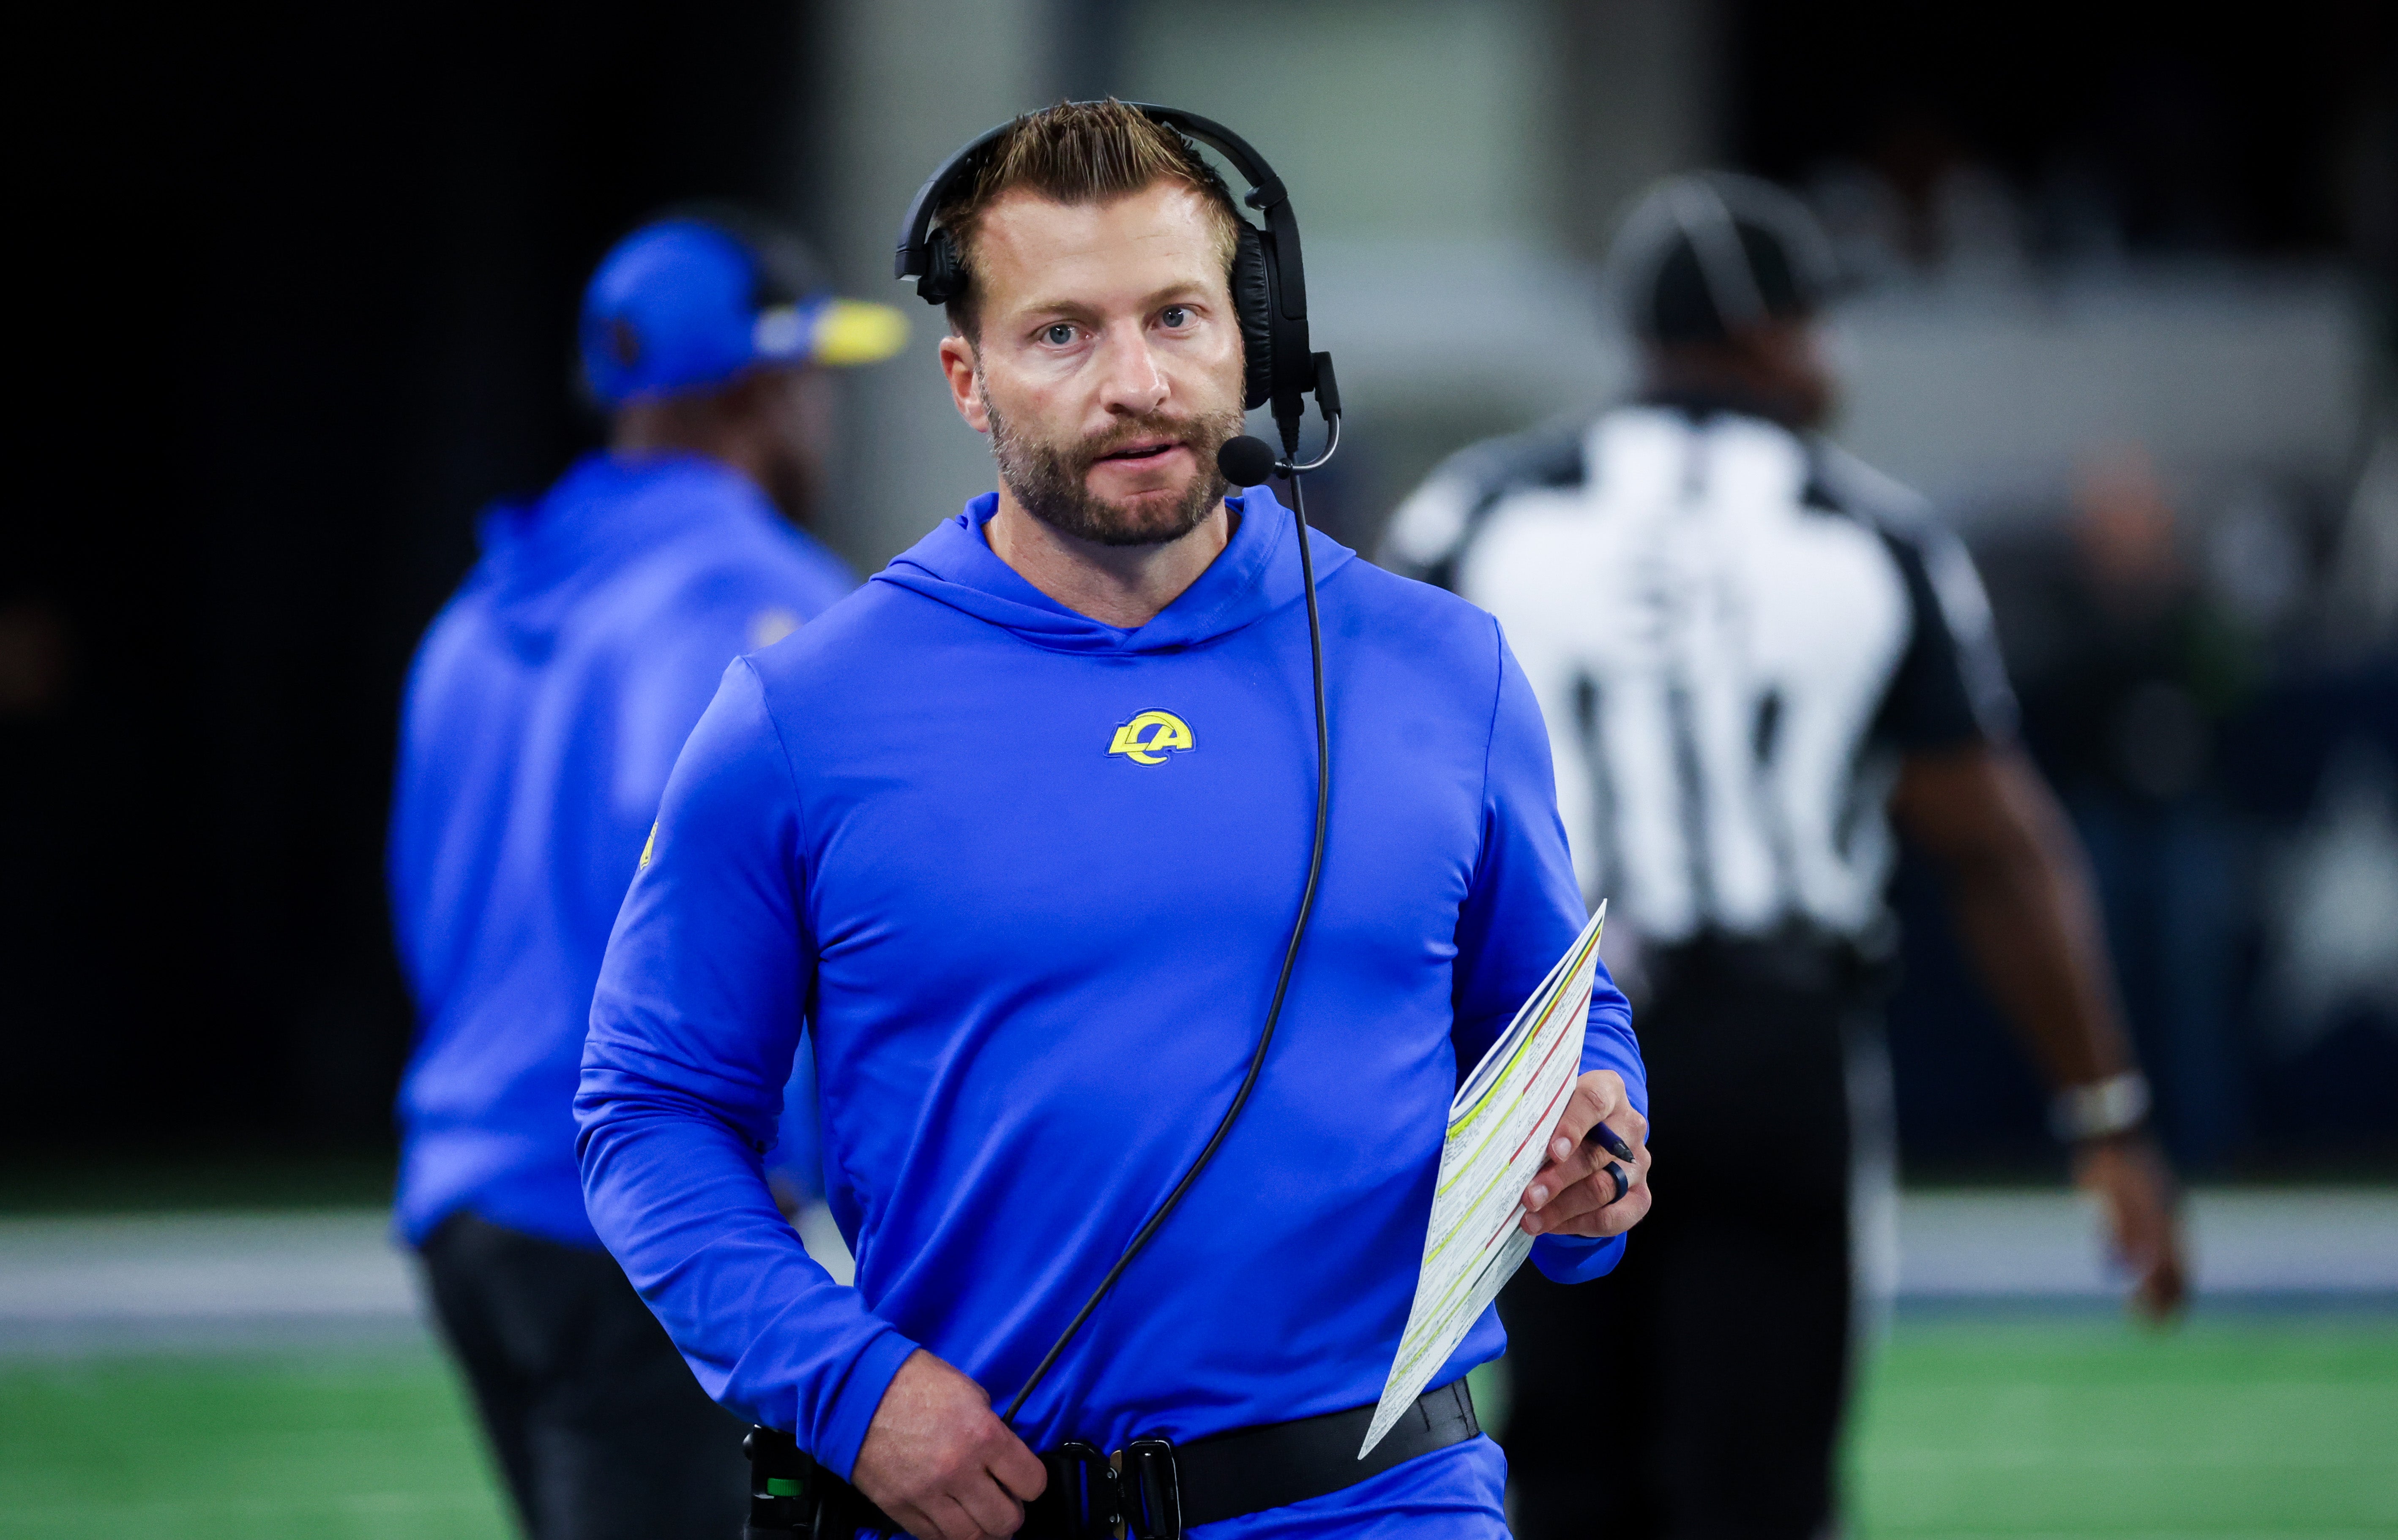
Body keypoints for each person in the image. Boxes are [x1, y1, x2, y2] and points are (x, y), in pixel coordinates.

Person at [575, 100, 1650, 1540]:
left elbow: (1558, 1019)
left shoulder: (1442, 668)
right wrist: (844, 1389)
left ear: (1253, 337)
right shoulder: (801, 714)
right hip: (988, 1512)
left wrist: (1595, 1153)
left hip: (1384, 1501)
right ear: (967, 377)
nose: (1136, 382)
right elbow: (648, 1114)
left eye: (1178, 318)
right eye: (1062, 333)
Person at [1379, 172, 2188, 1540]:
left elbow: (1372, 804)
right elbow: (1992, 843)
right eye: (1815, 319)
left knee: (1565, 1476)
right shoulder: (1868, 528)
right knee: (1760, 1492)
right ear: (1765, 331)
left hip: (1544, 1043)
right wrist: (2105, 1116)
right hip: (1771, 1037)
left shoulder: (1473, 513)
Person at [388, 210, 906, 1540]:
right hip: (636, 1215)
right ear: (765, 387)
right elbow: (722, 899)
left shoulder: (481, 605)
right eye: (813, 382)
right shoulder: (757, 597)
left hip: (467, 1197)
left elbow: (426, 908)